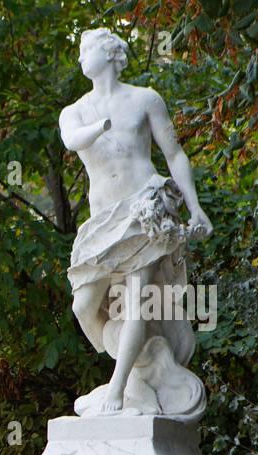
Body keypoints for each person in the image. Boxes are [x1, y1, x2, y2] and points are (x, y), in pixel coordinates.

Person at [60, 27, 212, 419]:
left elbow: (175, 154)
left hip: (144, 211)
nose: (80, 57)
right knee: (83, 305)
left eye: (85, 48)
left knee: (136, 304)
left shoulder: (145, 99)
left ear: (110, 52)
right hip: (102, 223)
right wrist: (101, 126)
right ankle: (137, 370)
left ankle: (118, 386)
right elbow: (71, 139)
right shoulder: (75, 111)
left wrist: (195, 208)